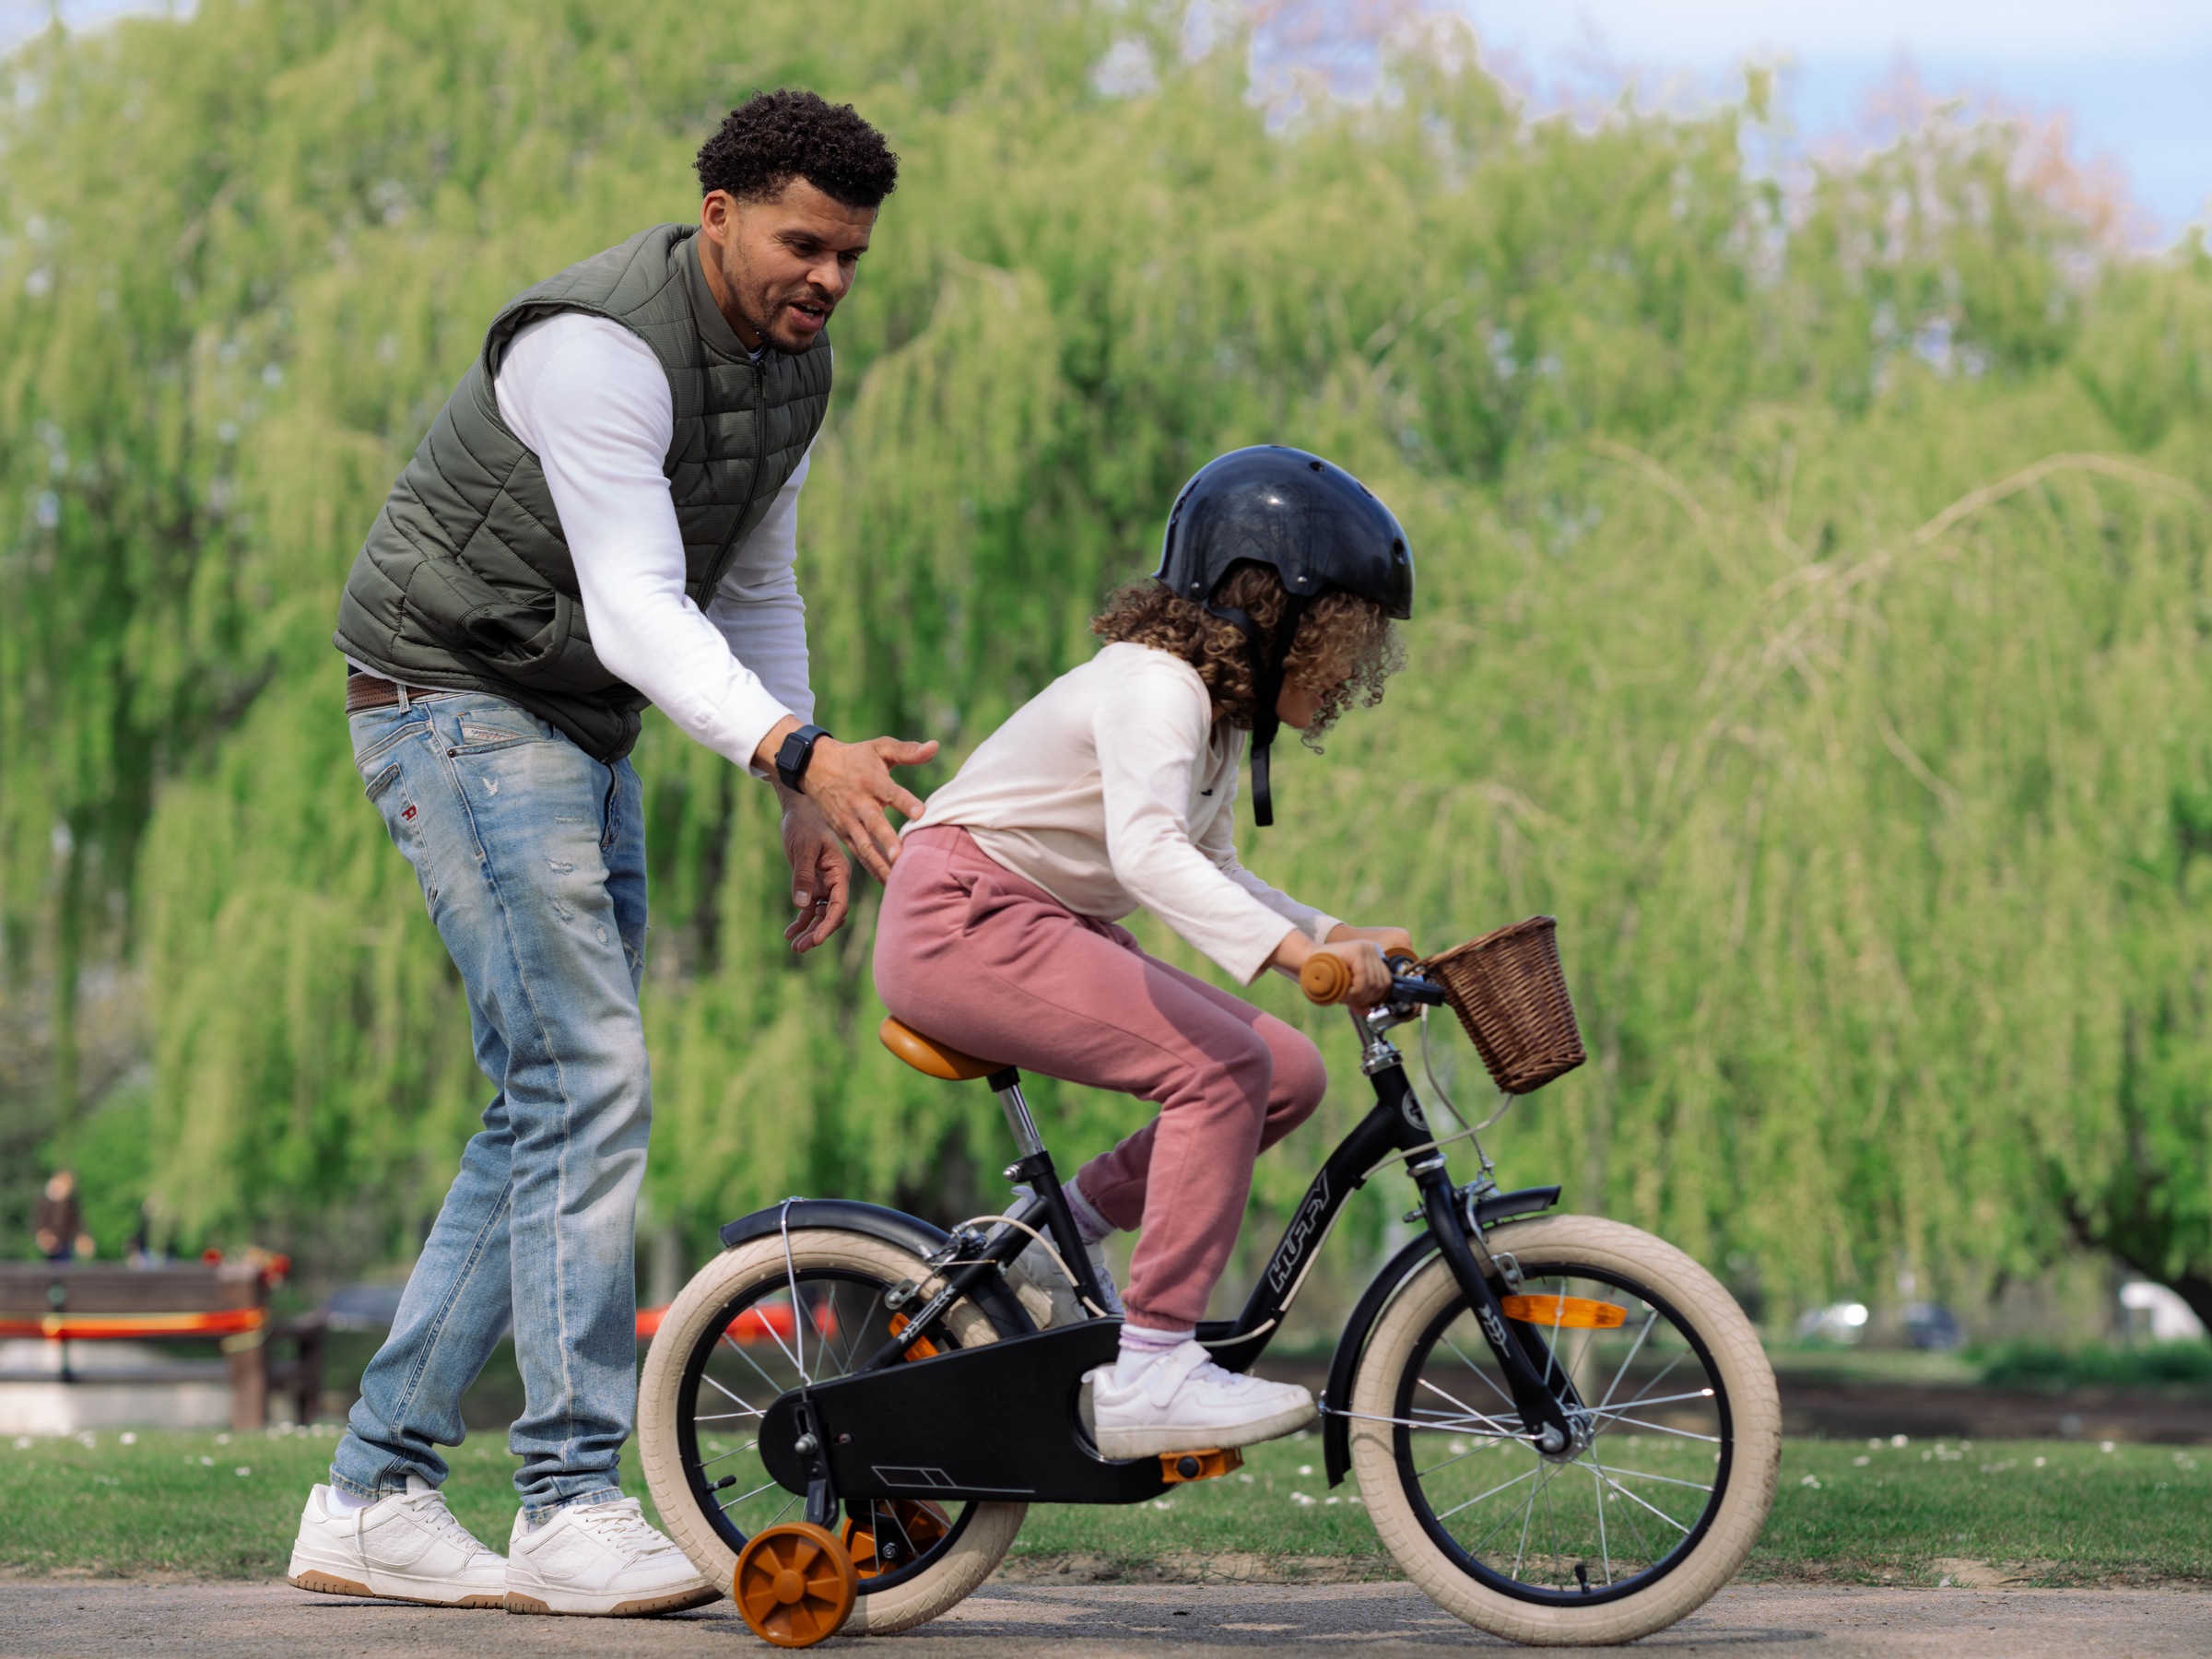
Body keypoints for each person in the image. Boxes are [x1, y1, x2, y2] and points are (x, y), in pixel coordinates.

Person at [288, 90, 934, 1618]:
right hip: (451, 699)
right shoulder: (598, 347)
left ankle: (371, 1495)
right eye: (803, 243)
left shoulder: (793, 364)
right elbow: (645, 607)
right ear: (715, 213)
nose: (830, 278)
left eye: (852, 255)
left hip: (570, 720)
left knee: (545, 1107)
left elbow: (751, 580)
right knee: (585, 1084)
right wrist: (790, 748)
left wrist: (798, 776)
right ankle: (569, 1503)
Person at [873, 446, 1415, 1456]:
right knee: (1221, 1071)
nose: (1351, 673)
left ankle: (1057, 1234)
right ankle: (1153, 1369)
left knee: (1286, 1072)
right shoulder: (1156, 688)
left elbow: (1210, 864)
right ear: (1271, 611)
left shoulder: (1207, 721)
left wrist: (1329, 933)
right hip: (960, 918)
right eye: (1344, 639)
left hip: (1030, 919)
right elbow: (1151, 856)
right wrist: (1299, 961)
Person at [33, 1170, 91, 1263]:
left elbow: (75, 1222)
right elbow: (40, 1222)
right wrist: (45, 1235)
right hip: (50, 1242)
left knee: (64, 1267)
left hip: (64, 1242)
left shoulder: (70, 1202)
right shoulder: (47, 1202)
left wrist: (82, 1235)